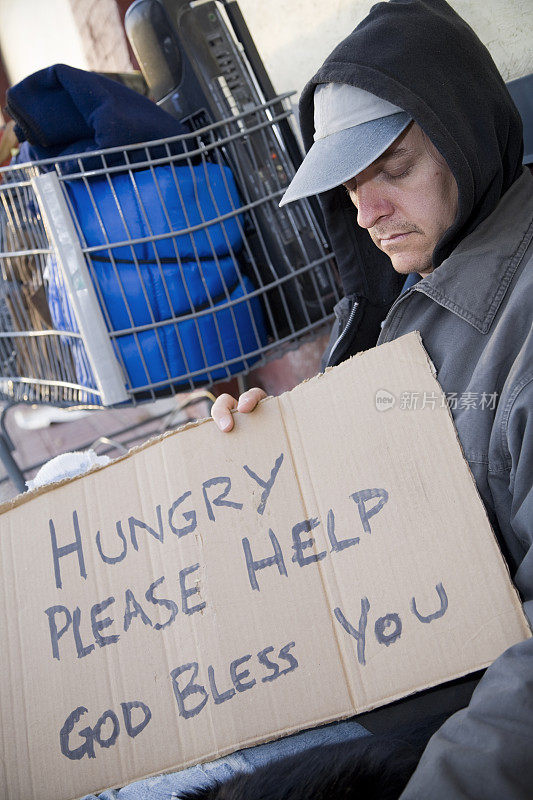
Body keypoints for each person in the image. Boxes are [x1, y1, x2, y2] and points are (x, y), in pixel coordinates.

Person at [211, 0, 533, 798]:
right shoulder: (399, 295)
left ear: (465, 134)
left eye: (392, 171)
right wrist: (257, 458)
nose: (366, 211)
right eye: (345, 185)